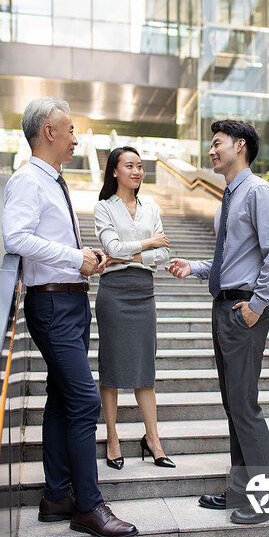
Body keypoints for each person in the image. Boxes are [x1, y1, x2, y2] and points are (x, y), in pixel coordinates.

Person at [2, 97, 138, 537]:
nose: (77, 138)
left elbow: (48, 242)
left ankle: (57, 495)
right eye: (71, 129)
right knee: (84, 402)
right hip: (54, 305)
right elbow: (15, 236)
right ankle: (88, 505)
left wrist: (88, 260)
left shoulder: (54, 182)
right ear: (49, 132)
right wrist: (71, 257)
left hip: (72, 301)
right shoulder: (28, 180)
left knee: (62, 399)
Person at [166, 120, 269, 525]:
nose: (211, 151)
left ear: (240, 146)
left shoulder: (258, 192)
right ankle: (241, 490)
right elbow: (231, 259)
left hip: (243, 311)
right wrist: (196, 268)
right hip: (224, 306)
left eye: (216, 144)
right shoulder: (227, 200)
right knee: (233, 404)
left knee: (244, 404)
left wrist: (258, 305)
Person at [94, 146, 175, 470]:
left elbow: (164, 256)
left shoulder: (151, 207)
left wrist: (133, 254)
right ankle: (112, 437)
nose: (137, 171)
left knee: (145, 371)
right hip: (113, 294)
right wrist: (148, 244)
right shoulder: (104, 207)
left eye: (140, 166)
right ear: (115, 171)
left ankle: (152, 439)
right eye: (130, 165)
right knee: (111, 369)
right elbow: (109, 248)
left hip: (143, 292)